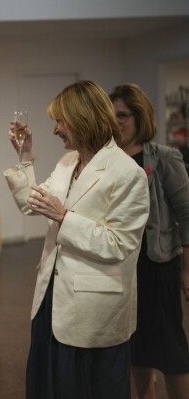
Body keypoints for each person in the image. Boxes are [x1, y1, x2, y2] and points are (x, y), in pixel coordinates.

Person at [4, 80, 150, 398]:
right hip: (53, 296)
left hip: (95, 306)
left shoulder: (127, 173)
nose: (55, 130)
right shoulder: (68, 162)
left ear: (83, 119)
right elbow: (33, 204)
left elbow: (120, 244)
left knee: (92, 388)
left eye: (60, 121)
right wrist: (25, 155)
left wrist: (64, 218)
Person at [110, 83, 189, 399]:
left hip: (159, 264)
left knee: (171, 348)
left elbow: (186, 215)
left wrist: (186, 270)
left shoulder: (165, 157)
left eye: (123, 115)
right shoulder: (108, 160)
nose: (117, 123)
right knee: (137, 347)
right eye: (111, 116)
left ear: (139, 116)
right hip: (123, 269)